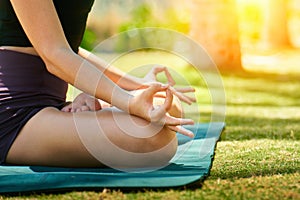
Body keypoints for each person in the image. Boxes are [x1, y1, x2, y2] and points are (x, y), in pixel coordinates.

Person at [0, 0, 196, 168]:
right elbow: (54, 54)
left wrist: (137, 85)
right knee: (153, 139)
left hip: (51, 102)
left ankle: (82, 111)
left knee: (166, 105)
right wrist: (126, 101)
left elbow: (68, 49)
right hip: (13, 112)